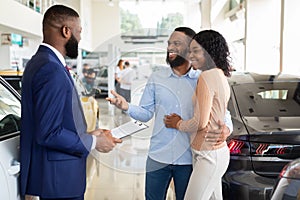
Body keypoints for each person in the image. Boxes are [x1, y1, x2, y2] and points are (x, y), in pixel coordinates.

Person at [106, 27, 233, 200]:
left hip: (188, 158)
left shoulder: (203, 77)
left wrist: (227, 129)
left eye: (177, 43)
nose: (170, 48)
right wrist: (126, 106)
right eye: (169, 44)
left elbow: (222, 111)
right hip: (158, 156)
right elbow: (145, 113)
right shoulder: (157, 77)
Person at [20, 5, 122, 200]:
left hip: (54, 179)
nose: (81, 37)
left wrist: (88, 134)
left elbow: (51, 121)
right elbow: (49, 132)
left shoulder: (41, 62)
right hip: (58, 183)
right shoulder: (51, 68)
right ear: (66, 31)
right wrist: (93, 141)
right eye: (79, 32)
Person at [164, 30, 232, 200]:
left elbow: (200, 122)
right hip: (215, 153)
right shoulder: (219, 74)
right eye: (190, 51)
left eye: (196, 51)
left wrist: (178, 123)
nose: (191, 56)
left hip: (208, 154)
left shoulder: (207, 77)